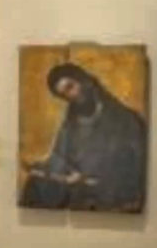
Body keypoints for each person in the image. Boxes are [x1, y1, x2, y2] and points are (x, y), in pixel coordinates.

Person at [20, 62, 147, 212]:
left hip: (110, 190)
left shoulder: (126, 120)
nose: (70, 96)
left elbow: (132, 169)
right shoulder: (72, 124)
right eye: (63, 95)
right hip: (77, 186)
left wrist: (86, 178)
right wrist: (42, 168)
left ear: (84, 81)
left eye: (70, 87)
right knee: (35, 185)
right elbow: (60, 157)